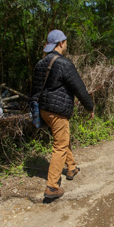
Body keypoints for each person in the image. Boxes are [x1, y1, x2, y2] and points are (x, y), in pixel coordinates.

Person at [31, 29, 94, 200]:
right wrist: (90, 107)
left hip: (44, 110)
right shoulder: (64, 64)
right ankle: (52, 187)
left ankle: (71, 168)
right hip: (58, 111)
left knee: (63, 138)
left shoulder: (40, 64)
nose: (66, 45)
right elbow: (79, 88)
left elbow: (35, 90)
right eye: (65, 42)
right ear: (60, 43)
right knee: (60, 145)